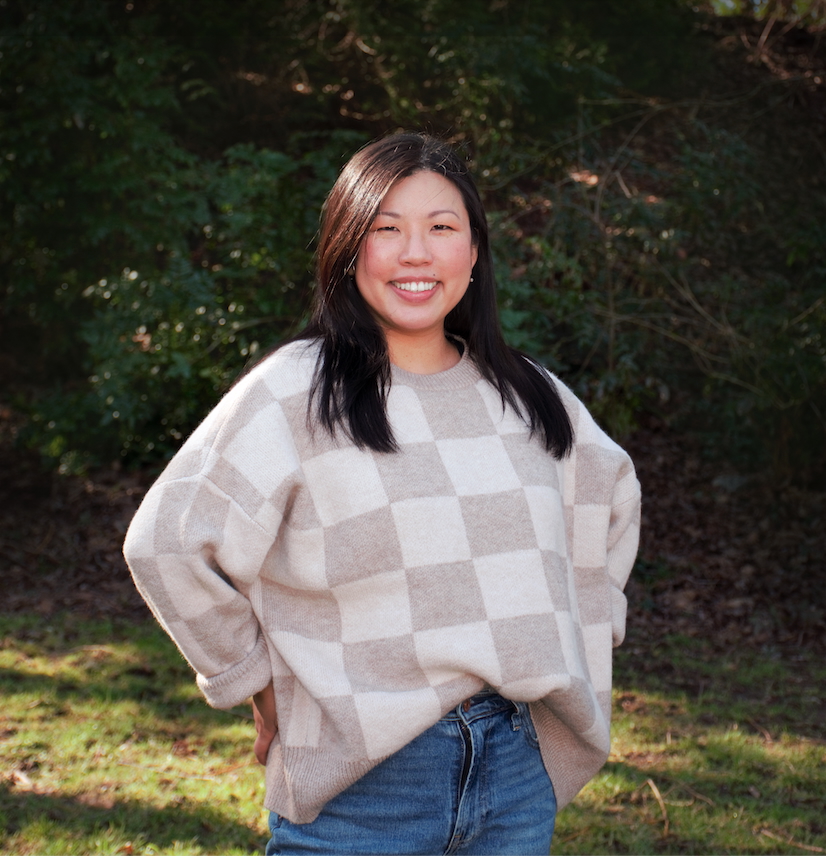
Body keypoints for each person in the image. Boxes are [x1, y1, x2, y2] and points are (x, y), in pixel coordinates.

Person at [124, 132, 641, 856]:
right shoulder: (294, 392)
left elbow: (609, 505)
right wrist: (256, 680)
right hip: (365, 785)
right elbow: (166, 540)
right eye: (386, 229)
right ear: (347, 247)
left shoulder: (531, 395)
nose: (416, 253)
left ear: (474, 252)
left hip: (517, 780)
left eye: (441, 228)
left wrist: (580, 637)